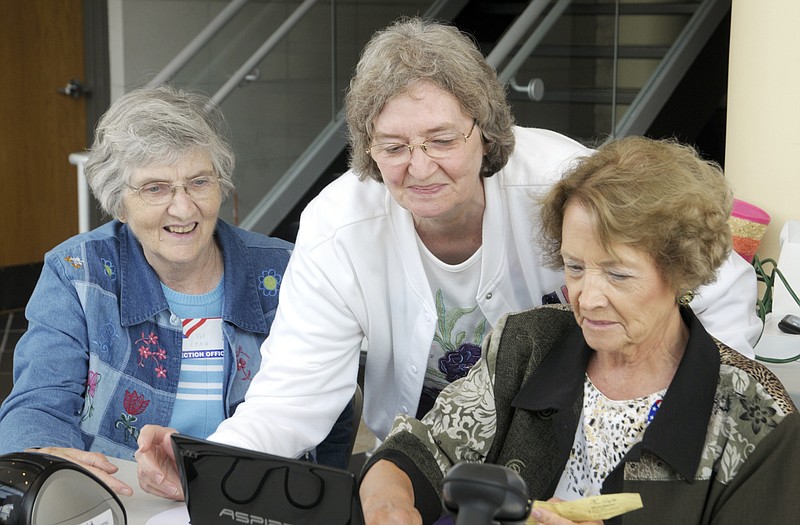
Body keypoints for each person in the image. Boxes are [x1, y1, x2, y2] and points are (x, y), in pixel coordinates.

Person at [136, 18, 762, 500]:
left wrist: (696, 425)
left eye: (441, 139)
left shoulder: (561, 185)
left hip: (554, 471)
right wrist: (202, 463)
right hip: (413, 467)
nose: (420, 166)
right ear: (367, 149)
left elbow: (719, 289)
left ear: (484, 132)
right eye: (394, 146)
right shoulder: (337, 226)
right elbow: (292, 396)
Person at [358, 136, 800, 525]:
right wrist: (386, 502)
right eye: (574, 267)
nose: (586, 298)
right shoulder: (527, 345)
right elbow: (423, 451)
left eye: (618, 275)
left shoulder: (754, 418)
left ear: (682, 271)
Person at [0, 85, 347, 496]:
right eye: (155, 188)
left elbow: (329, 410)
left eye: (198, 182)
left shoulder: (284, 270)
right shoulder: (78, 273)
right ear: (119, 204)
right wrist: (47, 460)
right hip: (118, 497)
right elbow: (39, 400)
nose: (183, 209)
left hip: (252, 497)